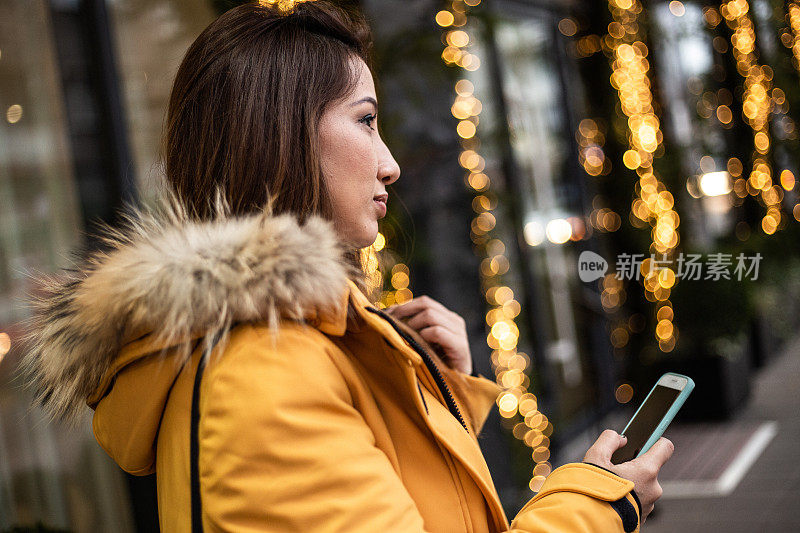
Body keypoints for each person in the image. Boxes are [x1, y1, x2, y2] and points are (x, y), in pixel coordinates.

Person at [22, 2, 673, 531]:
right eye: (365, 121)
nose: (389, 162)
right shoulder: (266, 371)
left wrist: (437, 388)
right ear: (279, 134)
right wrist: (600, 504)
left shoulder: (290, 344)